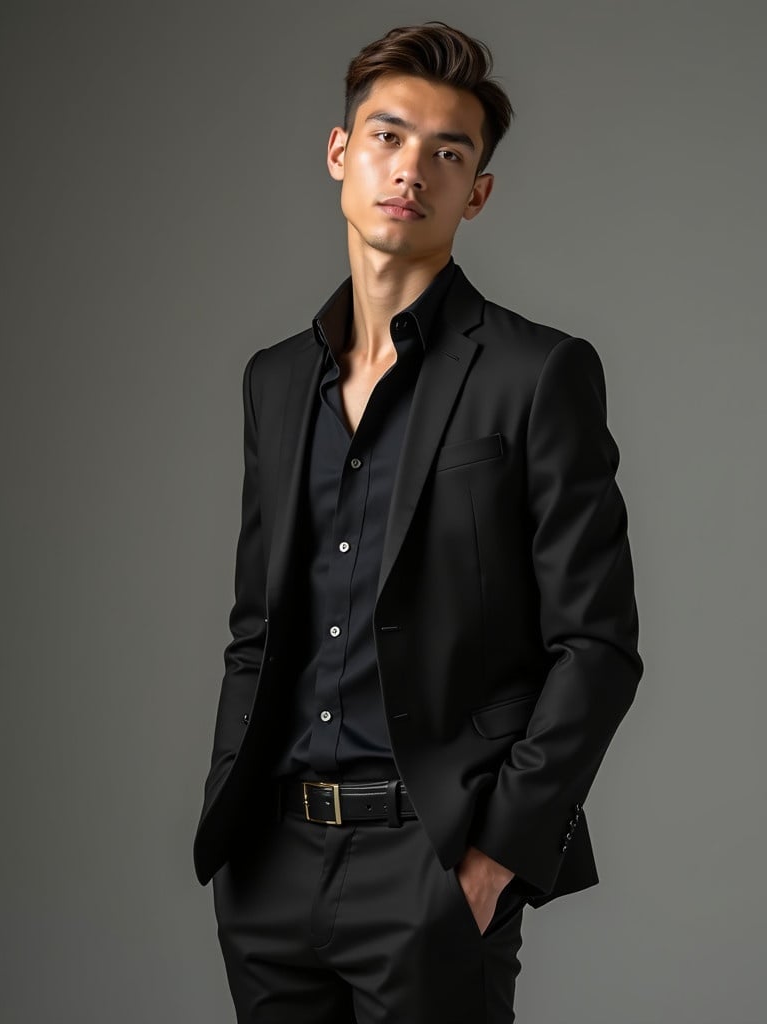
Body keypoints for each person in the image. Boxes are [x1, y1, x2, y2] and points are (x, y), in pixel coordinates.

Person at [193, 21, 643, 1024]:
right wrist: (230, 828)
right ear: (339, 153)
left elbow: (598, 646)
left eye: (450, 153)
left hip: (430, 865)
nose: (413, 170)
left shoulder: (537, 375)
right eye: (389, 137)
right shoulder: (274, 382)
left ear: (477, 192)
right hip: (270, 868)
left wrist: (491, 863)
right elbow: (257, 627)